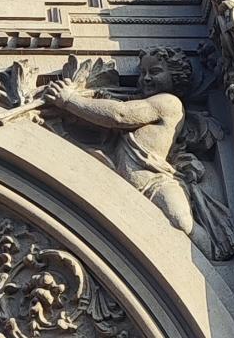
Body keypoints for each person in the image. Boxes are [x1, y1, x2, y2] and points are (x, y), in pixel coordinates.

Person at [39, 47, 193, 235]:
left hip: (154, 184)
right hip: (127, 187)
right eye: (143, 73)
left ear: (175, 76)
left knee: (182, 224)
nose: (145, 78)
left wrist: (69, 99)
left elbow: (120, 114)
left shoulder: (168, 102)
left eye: (155, 72)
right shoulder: (141, 100)